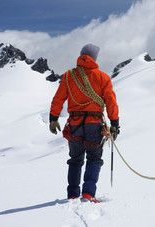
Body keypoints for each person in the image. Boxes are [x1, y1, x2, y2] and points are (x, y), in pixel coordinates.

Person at [49, 44, 119, 203]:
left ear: (81, 56)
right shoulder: (103, 77)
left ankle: (73, 194)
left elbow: (58, 99)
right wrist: (114, 123)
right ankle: (88, 194)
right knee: (94, 158)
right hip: (94, 123)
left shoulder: (68, 76)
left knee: (75, 159)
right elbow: (110, 101)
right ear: (94, 58)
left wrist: (53, 118)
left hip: (74, 123)